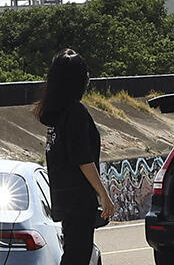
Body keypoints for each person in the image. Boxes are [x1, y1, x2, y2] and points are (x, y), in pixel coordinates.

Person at [35, 48, 115, 265]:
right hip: (79, 201)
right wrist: (103, 194)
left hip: (64, 198)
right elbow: (82, 159)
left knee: (74, 253)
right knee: (78, 256)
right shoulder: (75, 113)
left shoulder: (56, 115)